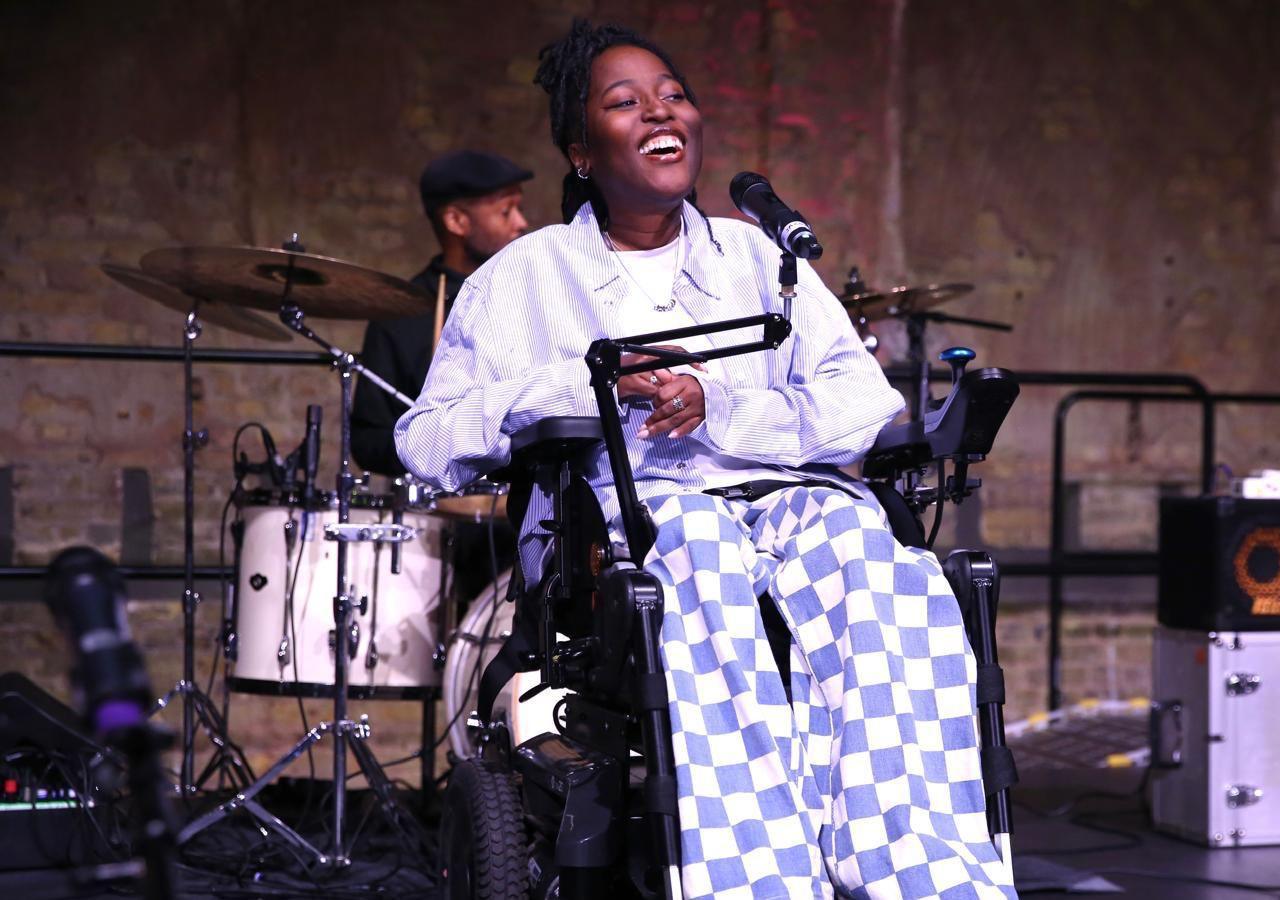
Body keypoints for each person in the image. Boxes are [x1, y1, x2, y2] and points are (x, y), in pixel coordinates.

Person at [396, 21, 1015, 900]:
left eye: (673, 94)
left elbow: (866, 403)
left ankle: (920, 872)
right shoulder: (521, 279)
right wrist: (587, 387)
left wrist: (720, 406)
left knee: (881, 560)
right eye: (625, 102)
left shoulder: (760, 258)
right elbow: (426, 440)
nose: (661, 111)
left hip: (784, 498)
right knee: (697, 542)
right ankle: (758, 880)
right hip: (630, 520)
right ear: (580, 148)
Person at [351, 150, 531, 602]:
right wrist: (436, 447)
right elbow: (368, 440)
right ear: (456, 220)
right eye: (506, 210)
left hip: (528, 513)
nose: (521, 223)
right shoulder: (402, 314)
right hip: (435, 527)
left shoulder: (530, 302)